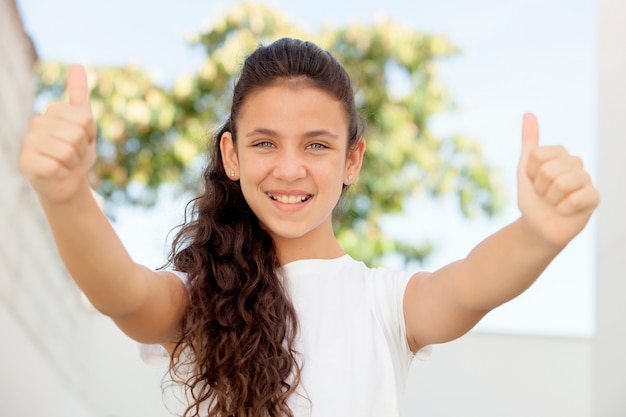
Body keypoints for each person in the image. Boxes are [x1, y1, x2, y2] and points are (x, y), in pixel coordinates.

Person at [19, 38, 599, 417]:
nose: (290, 168)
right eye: (265, 142)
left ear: (352, 160)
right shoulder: (199, 299)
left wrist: (540, 234)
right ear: (232, 154)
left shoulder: (386, 304)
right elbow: (120, 292)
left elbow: (472, 283)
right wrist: (66, 196)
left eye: (317, 145)